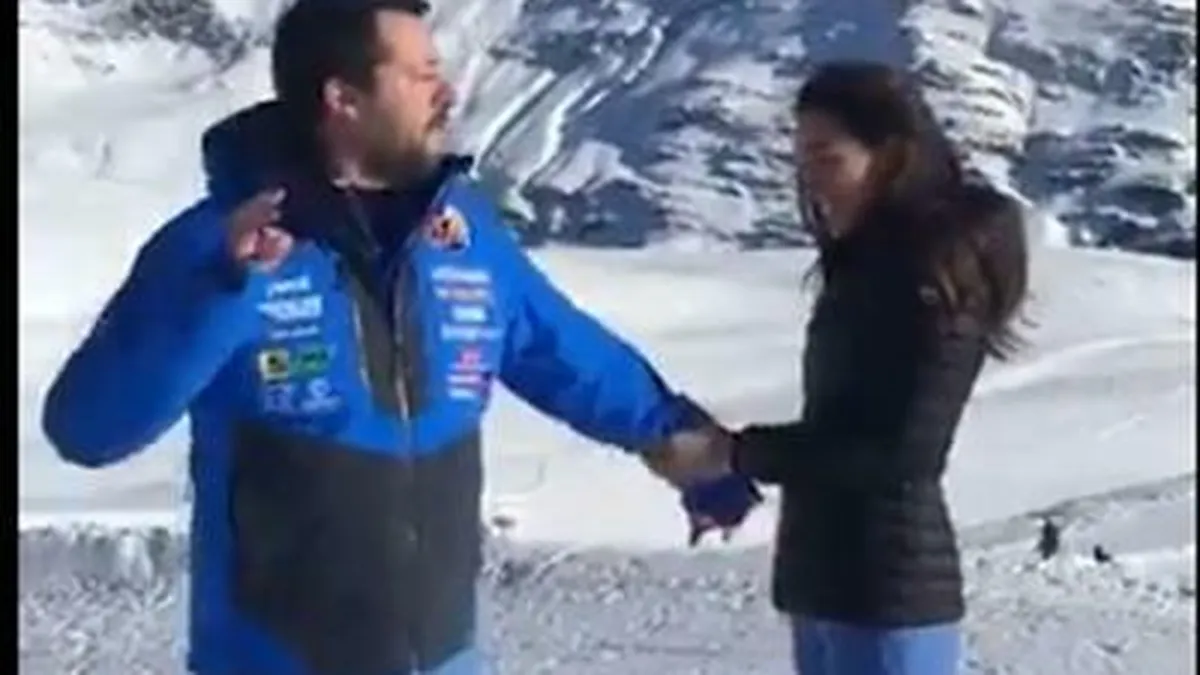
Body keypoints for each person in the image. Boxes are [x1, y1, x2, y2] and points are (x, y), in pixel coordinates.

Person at [39, 1, 761, 674]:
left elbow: (565, 353)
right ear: (343, 98)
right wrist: (220, 291)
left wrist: (683, 442)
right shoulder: (217, 246)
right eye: (421, 76)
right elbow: (88, 429)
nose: (447, 94)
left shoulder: (463, 239)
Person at [727, 62, 1030, 675]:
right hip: (828, 586)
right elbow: (839, 425)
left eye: (826, 157)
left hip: (889, 595)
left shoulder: (934, 274)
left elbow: (900, 452)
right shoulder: (866, 267)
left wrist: (741, 454)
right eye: (801, 157)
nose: (809, 177)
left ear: (890, 156)